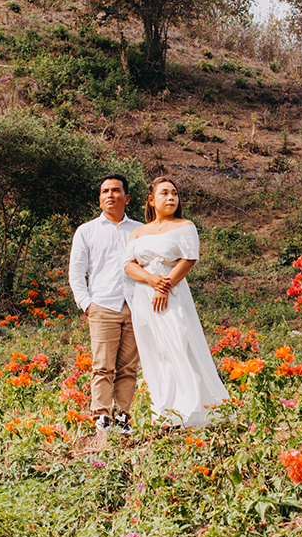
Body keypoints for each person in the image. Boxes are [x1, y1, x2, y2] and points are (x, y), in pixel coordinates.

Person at [123, 179, 229, 428]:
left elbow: (189, 258)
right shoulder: (138, 232)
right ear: (151, 199)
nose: (171, 198)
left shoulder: (185, 226)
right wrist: (151, 280)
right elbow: (129, 265)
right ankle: (164, 413)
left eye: (175, 193)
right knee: (156, 351)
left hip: (172, 295)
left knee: (179, 344)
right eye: (164, 193)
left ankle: (190, 409)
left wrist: (165, 286)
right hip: (144, 296)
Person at [68, 174, 143, 437]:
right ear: (99, 199)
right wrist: (87, 304)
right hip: (102, 306)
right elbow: (76, 272)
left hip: (135, 306)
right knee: (102, 366)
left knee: (128, 367)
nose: (110, 195)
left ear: (127, 198)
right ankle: (101, 417)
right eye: (104, 191)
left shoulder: (139, 230)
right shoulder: (87, 230)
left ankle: (123, 417)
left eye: (116, 190)